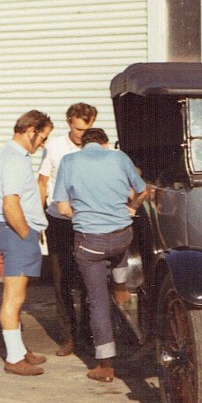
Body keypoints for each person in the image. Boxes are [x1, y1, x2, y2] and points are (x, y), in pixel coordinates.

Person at [52, 128, 147, 382]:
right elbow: (142, 191)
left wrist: (82, 216)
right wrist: (131, 208)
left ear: (83, 144)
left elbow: (62, 207)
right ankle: (120, 285)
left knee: (97, 301)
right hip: (121, 236)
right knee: (119, 249)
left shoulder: (69, 161)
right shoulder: (119, 157)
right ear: (105, 144)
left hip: (90, 242)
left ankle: (105, 366)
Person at [0, 110, 53, 376]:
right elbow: (10, 203)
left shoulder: (10, 156)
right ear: (31, 131)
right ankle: (14, 358)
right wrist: (27, 233)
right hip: (16, 233)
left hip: (14, 232)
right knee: (13, 298)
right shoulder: (14, 160)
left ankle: (19, 349)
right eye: (43, 137)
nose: (43, 144)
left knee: (18, 297)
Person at [37, 103, 98, 356]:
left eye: (87, 128)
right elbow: (41, 182)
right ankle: (70, 336)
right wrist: (38, 218)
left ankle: (89, 333)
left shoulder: (97, 147)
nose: (82, 134)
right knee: (62, 280)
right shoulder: (54, 147)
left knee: (89, 279)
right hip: (58, 221)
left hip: (88, 220)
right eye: (77, 128)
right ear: (69, 121)